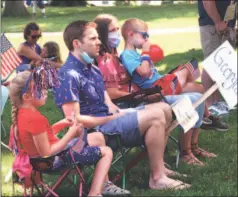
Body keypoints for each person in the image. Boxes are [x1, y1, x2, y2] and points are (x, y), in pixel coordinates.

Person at [53, 20, 191, 191]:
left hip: (110, 120)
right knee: (156, 116)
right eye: (93, 39)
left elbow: (108, 103)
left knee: (163, 108)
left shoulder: (93, 69)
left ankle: (160, 170)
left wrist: (125, 113)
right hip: (94, 132)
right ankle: (157, 178)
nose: (99, 42)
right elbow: (74, 121)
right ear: (77, 43)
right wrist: (112, 118)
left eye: (98, 38)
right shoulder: (68, 75)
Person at [94, 14, 216, 166]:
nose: (118, 33)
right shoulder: (106, 61)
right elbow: (111, 93)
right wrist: (141, 96)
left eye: (118, 29)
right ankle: (186, 152)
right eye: (113, 30)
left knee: (196, 96)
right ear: (103, 34)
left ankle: (192, 146)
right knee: (189, 100)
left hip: (145, 96)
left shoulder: (116, 56)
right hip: (133, 104)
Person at [9, 68, 114, 197]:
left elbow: (41, 137)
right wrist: (70, 134)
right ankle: (94, 192)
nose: (45, 91)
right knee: (107, 151)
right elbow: (47, 152)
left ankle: (104, 183)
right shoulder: (35, 119)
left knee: (97, 137)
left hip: (41, 162)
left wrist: (60, 124)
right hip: (57, 160)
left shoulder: (23, 114)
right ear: (26, 97)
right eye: (40, 89)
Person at [120, 18, 228, 132]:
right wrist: (146, 53)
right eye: (144, 35)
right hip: (155, 91)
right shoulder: (127, 55)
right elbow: (144, 72)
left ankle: (206, 118)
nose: (147, 39)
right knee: (186, 70)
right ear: (131, 34)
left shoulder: (135, 54)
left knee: (199, 88)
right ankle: (207, 117)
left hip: (162, 84)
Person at [198, 0, 237, 114]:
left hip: (226, 24)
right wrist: (218, 22)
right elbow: (207, 2)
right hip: (212, 25)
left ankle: (216, 101)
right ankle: (209, 104)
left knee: (221, 64)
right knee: (211, 64)